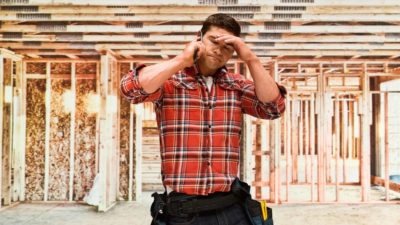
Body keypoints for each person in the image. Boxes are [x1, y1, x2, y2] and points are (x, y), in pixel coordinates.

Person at [121, 13, 286, 225]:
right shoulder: (171, 82)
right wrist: (182, 60)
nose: (219, 49)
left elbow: (273, 108)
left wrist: (250, 58)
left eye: (228, 46)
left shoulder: (235, 86)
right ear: (198, 38)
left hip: (231, 208)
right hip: (183, 212)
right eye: (214, 41)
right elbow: (130, 90)